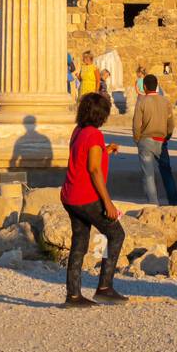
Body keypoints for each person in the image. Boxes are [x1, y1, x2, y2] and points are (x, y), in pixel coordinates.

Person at [60, 91, 128, 308]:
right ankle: (105, 288)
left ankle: (73, 295)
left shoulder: (78, 131)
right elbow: (94, 169)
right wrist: (108, 203)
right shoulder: (95, 135)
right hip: (86, 196)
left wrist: (105, 151)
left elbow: (84, 157)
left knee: (79, 243)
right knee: (115, 234)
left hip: (70, 196)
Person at [132, 73, 177, 205]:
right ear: (157, 86)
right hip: (161, 140)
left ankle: (153, 204)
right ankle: (174, 202)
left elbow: (136, 124)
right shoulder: (165, 101)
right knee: (167, 172)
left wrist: (137, 139)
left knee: (148, 175)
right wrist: (167, 136)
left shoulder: (142, 102)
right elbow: (171, 124)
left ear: (145, 87)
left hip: (146, 141)